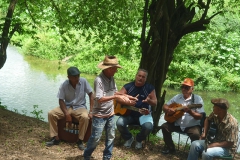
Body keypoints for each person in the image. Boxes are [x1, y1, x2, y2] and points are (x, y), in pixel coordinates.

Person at [83, 55, 135, 160]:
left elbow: (114, 92)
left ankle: (107, 157)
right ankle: (87, 154)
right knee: (96, 138)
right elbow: (99, 98)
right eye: (115, 68)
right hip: (99, 115)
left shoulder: (111, 78)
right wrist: (116, 97)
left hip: (110, 113)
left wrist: (127, 96)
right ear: (109, 69)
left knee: (111, 136)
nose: (116, 70)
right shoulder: (99, 80)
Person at [46, 66, 94, 150]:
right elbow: (61, 100)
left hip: (80, 106)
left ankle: (80, 140)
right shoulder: (64, 84)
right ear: (69, 77)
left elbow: (91, 94)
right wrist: (66, 113)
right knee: (51, 113)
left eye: (78, 76)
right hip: (67, 107)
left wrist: (91, 111)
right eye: (75, 77)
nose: (77, 78)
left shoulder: (83, 81)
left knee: (85, 117)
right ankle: (55, 138)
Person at [116, 69, 157, 149]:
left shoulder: (150, 88)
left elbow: (155, 102)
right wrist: (127, 102)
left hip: (144, 114)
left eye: (143, 77)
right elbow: (117, 98)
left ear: (146, 79)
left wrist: (149, 101)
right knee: (119, 123)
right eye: (139, 76)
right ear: (136, 76)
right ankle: (129, 138)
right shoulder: (128, 86)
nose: (140, 78)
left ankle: (139, 140)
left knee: (148, 127)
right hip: (129, 114)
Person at [161, 78, 204, 154]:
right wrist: (168, 109)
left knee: (196, 134)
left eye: (187, 87)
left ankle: (195, 153)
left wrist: (190, 111)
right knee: (164, 127)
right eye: (183, 87)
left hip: (191, 126)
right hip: (177, 124)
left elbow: (200, 116)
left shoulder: (197, 99)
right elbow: (164, 106)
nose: (184, 89)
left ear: (192, 89)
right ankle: (171, 148)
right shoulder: (177, 97)